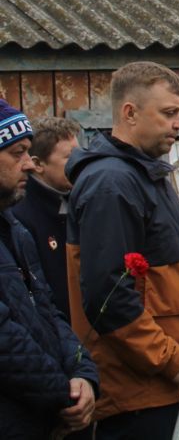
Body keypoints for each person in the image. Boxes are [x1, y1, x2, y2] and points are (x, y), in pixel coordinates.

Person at [66, 62, 179, 439]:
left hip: (159, 382)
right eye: (168, 113)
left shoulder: (146, 174)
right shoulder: (111, 183)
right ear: (129, 113)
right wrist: (171, 360)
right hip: (134, 389)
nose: (178, 123)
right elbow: (106, 295)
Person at [0, 98, 99, 438]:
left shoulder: (15, 231)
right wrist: (63, 396)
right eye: (17, 154)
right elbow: (5, 339)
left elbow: (50, 311)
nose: (28, 164)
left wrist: (84, 374)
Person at [13, 115, 81, 320]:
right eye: (70, 156)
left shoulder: (81, 200)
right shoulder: (20, 214)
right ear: (38, 164)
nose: (79, 162)